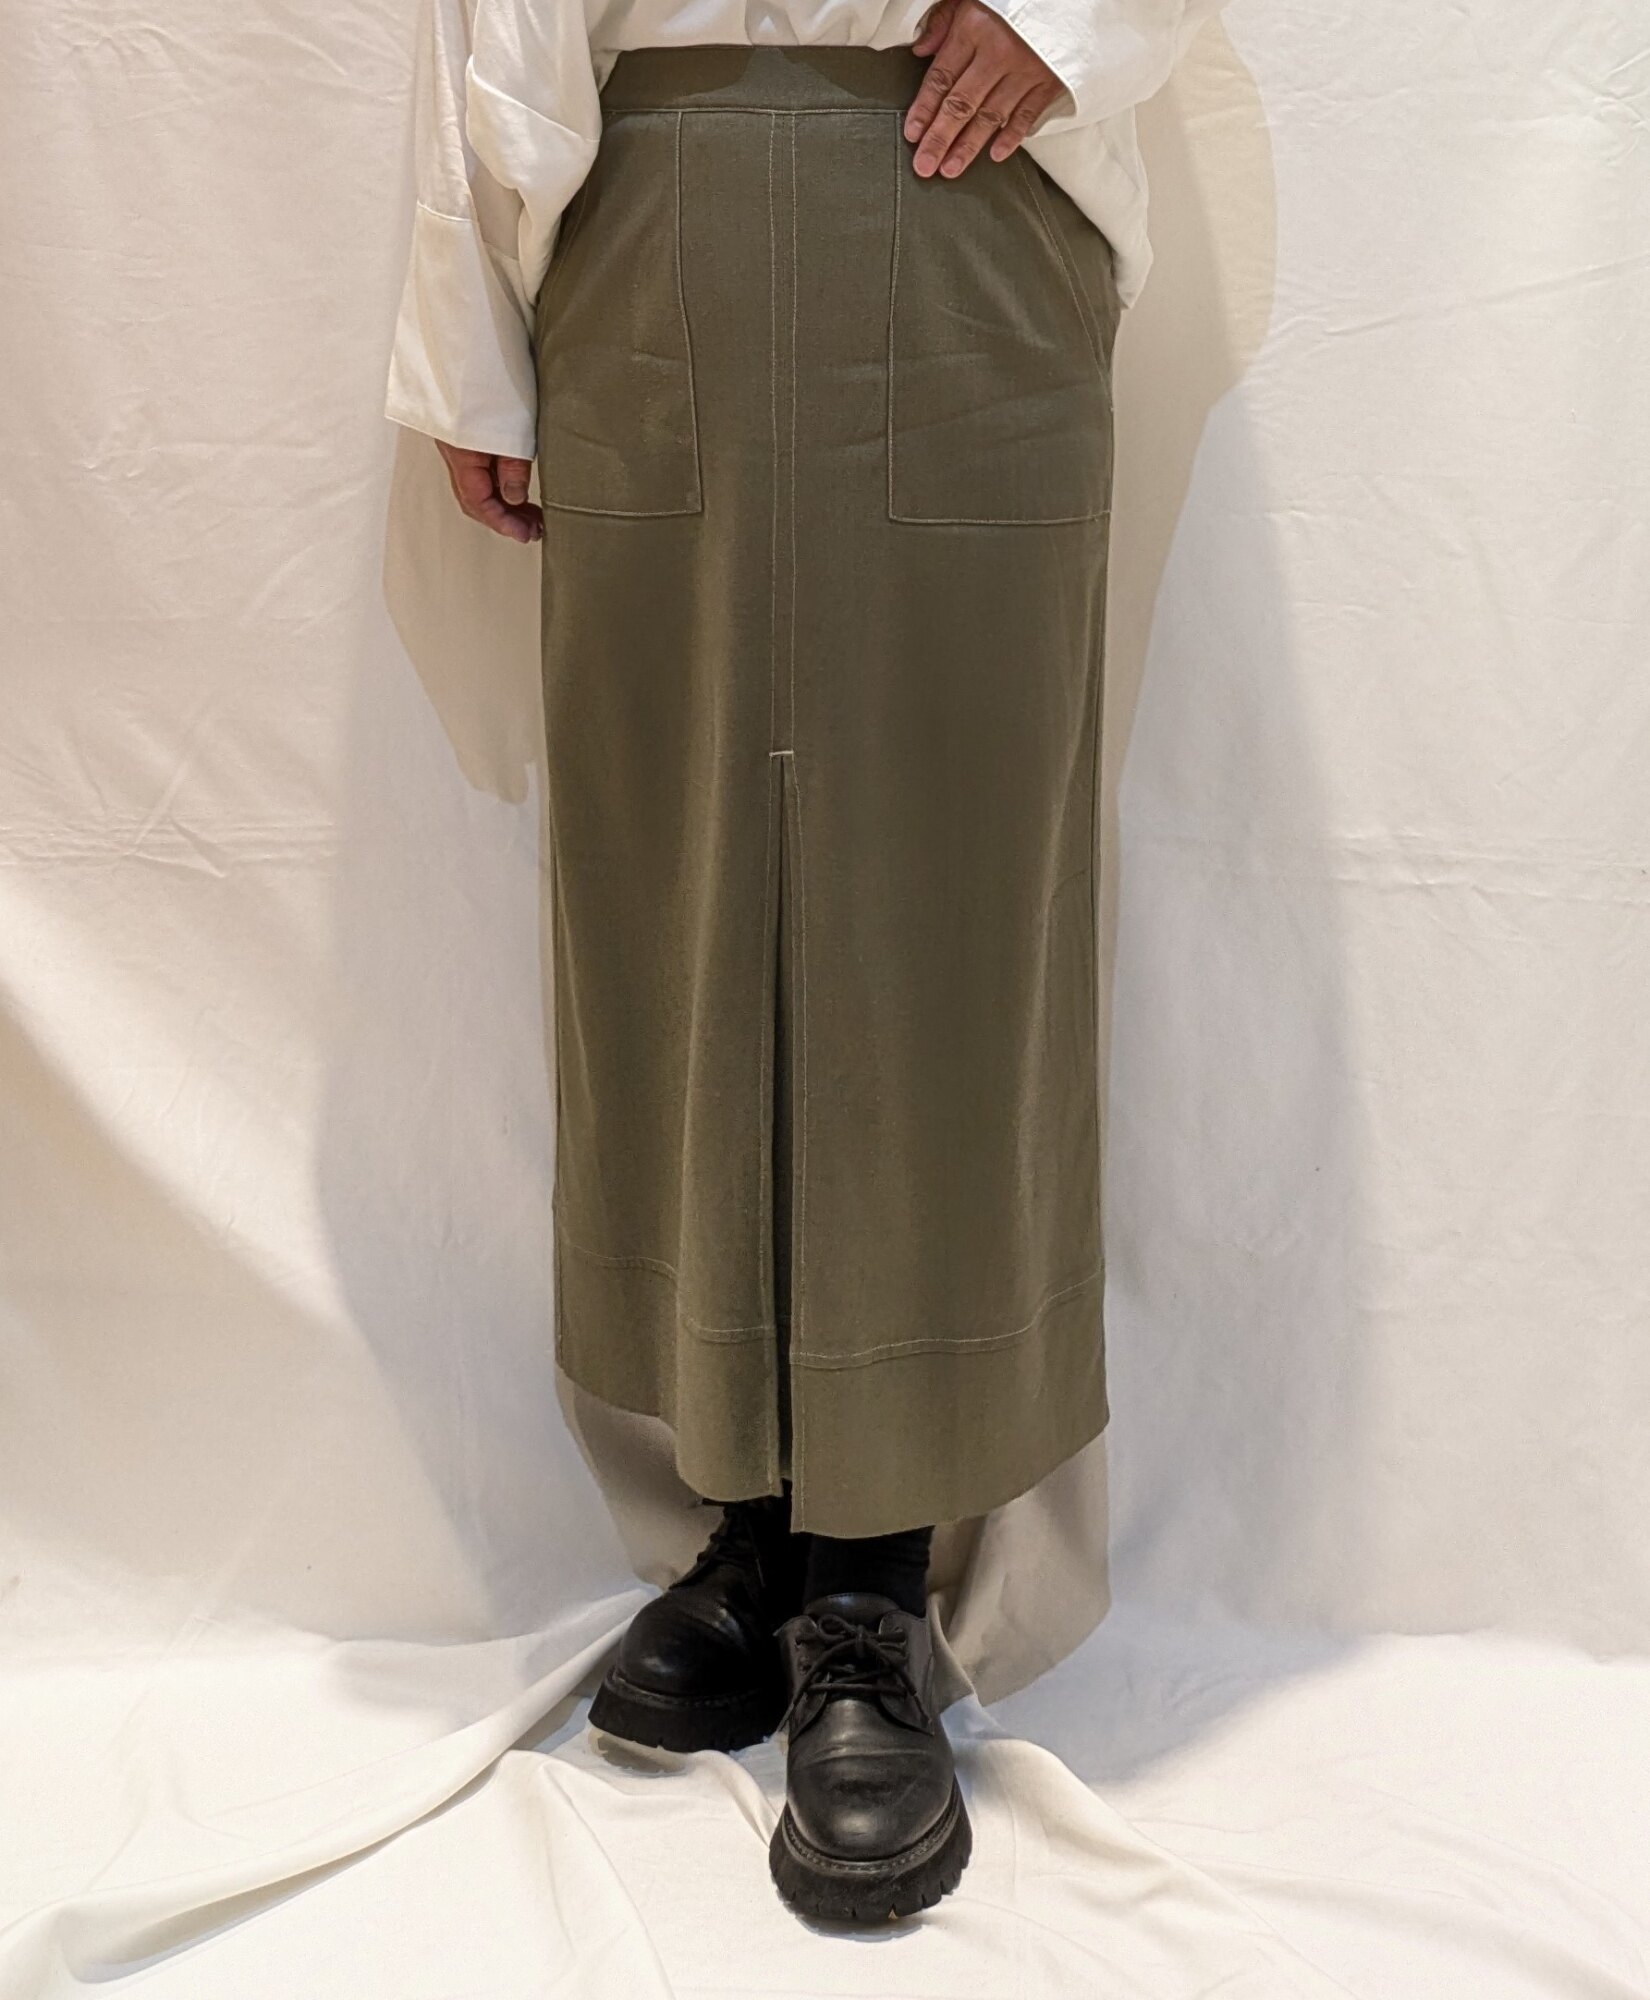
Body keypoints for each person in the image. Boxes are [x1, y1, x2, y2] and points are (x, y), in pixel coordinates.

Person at [386, 0, 1226, 1925]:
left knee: (936, 911)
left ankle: (871, 1576)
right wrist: (471, 333)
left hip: (960, 196)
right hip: (639, 213)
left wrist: (1067, 14)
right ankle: (749, 1519)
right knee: (662, 879)